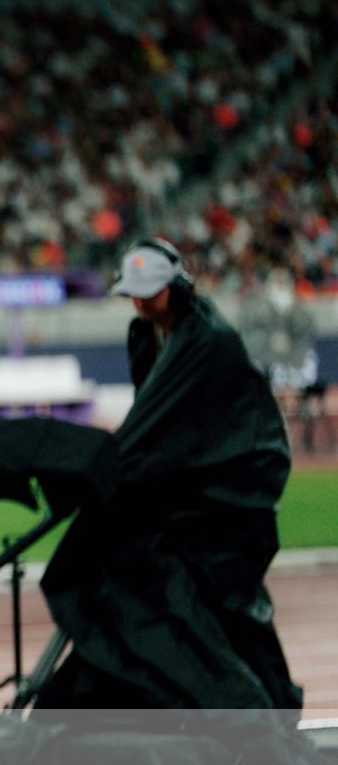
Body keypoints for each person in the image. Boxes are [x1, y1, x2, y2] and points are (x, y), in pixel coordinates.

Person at [38, 238, 302, 721]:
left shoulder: (206, 341)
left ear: (177, 286)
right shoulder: (145, 335)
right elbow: (156, 421)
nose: (141, 302)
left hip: (237, 489)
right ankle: (239, 705)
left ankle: (252, 710)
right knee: (207, 603)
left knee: (212, 599)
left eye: (151, 292)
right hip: (194, 481)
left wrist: (104, 465)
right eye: (134, 293)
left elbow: (155, 424)